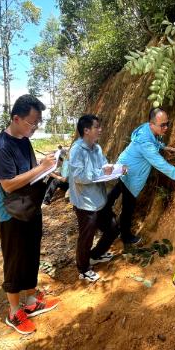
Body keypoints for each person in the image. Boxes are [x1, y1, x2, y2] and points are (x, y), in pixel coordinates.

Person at [0, 94, 60, 335]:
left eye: (38, 122)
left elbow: (28, 172)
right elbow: (8, 184)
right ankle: (14, 311)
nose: (35, 127)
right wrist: (40, 168)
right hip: (12, 212)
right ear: (16, 118)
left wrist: (46, 170)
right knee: (15, 261)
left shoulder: (23, 139)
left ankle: (31, 301)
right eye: (32, 123)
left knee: (31, 255)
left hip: (29, 207)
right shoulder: (1, 147)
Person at [108, 107, 175, 247]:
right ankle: (125, 236)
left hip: (124, 165)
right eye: (162, 125)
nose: (166, 128)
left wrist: (164, 147)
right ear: (152, 124)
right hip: (130, 173)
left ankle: (103, 211)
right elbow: (162, 165)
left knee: (116, 191)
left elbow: (153, 140)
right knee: (129, 206)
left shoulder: (147, 129)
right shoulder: (146, 145)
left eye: (167, 123)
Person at [68, 114, 124, 282]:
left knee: (113, 228)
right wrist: (100, 173)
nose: (100, 130)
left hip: (100, 200)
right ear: (86, 130)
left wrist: (117, 169)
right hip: (85, 203)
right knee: (86, 237)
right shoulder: (77, 150)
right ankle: (83, 269)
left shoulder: (96, 148)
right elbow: (78, 176)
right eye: (97, 127)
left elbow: (105, 165)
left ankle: (96, 255)